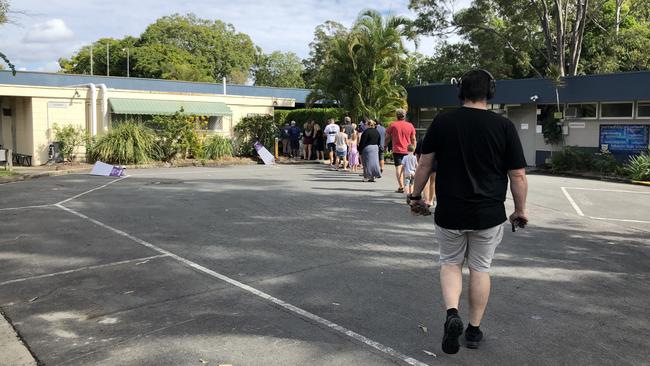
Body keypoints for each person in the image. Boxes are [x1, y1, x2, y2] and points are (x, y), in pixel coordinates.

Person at [408, 69, 528, 354]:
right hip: (488, 214)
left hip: (450, 211)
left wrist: (415, 195)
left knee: (450, 263)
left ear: (460, 92)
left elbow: (424, 164)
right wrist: (519, 210)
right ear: (491, 93)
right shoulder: (504, 127)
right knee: (480, 269)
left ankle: (452, 314)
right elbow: (518, 175)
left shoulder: (443, 121)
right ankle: (473, 331)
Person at [386, 108, 416, 193]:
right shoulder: (410, 125)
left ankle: (401, 186)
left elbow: (387, 137)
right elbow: (413, 139)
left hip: (397, 150)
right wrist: (414, 148)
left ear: (396, 115)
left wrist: (384, 144)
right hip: (408, 150)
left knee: (398, 167)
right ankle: (409, 186)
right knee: (409, 168)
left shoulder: (393, 125)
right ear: (404, 115)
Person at [415, 139, 436, 207]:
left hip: (424, 163)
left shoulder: (421, 140)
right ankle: (431, 200)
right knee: (433, 182)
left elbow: (417, 154)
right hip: (435, 163)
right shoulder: (438, 139)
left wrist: (419, 163)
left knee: (426, 182)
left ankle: (426, 200)